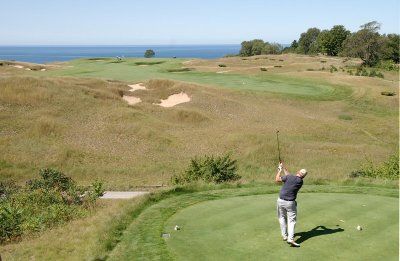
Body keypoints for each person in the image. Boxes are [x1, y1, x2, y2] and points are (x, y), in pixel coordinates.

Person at [275, 162, 307, 247]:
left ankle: (284, 236)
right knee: (291, 221)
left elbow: (277, 179)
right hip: (290, 203)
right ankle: (290, 238)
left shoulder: (289, 177)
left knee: (281, 217)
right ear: (304, 176)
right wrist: (283, 167)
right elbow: (288, 175)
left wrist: (279, 170)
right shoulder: (300, 181)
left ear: (297, 171)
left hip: (280, 200)